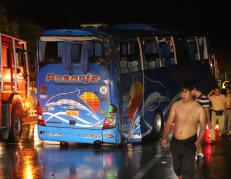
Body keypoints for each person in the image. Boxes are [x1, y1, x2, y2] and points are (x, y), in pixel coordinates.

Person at [160, 82, 206, 179]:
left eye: (185, 92)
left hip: (190, 142)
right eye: (181, 92)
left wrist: (198, 142)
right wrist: (164, 136)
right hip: (176, 142)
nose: (182, 95)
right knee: (177, 168)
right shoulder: (176, 105)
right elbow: (168, 122)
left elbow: (202, 128)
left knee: (188, 170)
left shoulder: (199, 109)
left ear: (192, 92)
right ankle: (180, 176)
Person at [192, 83, 211, 161]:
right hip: (195, 121)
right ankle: (201, 152)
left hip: (200, 122)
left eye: (191, 91)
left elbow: (207, 111)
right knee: (197, 137)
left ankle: (195, 155)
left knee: (197, 138)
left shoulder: (204, 98)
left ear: (194, 90)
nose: (191, 92)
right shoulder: (196, 98)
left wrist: (209, 121)